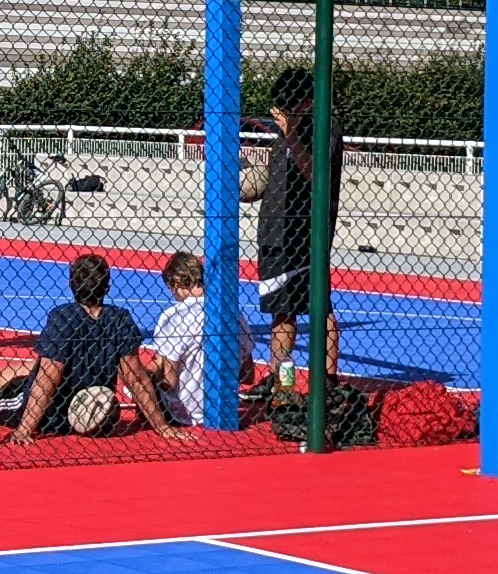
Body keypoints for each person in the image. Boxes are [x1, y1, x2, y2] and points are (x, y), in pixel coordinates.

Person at [0, 253, 168, 436]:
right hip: (90, 400)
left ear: (72, 286)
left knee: (0, 400)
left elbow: (49, 376)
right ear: (107, 287)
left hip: (53, 413)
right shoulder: (120, 318)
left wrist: (26, 427)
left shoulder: (62, 317)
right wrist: (162, 426)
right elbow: (135, 376)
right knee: (29, 369)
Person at [255, 64, 344, 392]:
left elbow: (317, 178)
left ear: (307, 101)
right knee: (281, 309)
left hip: (306, 233)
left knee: (320, 305)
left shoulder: (326, 128)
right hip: (274, 232)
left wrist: (291, 132)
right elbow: (282, 173)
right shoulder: (285, 129)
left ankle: (328, 380)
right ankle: (280, 382)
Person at [132, 249, 249, 425]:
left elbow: (169, 381)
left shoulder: (173, 316)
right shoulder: (232, 311)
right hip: (224, 405)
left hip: (182, 410)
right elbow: (248, 373)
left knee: (139, 378)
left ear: (177, 282)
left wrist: (148, 378)